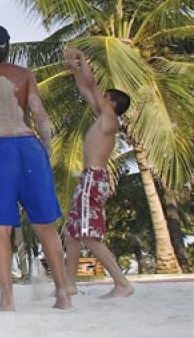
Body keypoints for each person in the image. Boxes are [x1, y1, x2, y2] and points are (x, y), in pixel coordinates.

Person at [0, 25, 72, 312]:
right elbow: (40, 116)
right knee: (45, 225)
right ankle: (63, 296)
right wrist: (44, 150)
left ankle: (7, 301)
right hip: (29, 146)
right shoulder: (24, 75)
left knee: (0, 227)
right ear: (7, 47)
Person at [62, 48, 134, 298]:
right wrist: (73, 68)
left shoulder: (110, 118)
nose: (99, 98)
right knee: (72, 233)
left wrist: (82, 59)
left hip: (94, 178)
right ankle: (69, 284)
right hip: (89, 179)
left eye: (105, 97)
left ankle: (122, 283)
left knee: (89, 237)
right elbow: (86, 89)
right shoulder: (102, 117)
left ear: (112, 103)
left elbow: (91, 84)